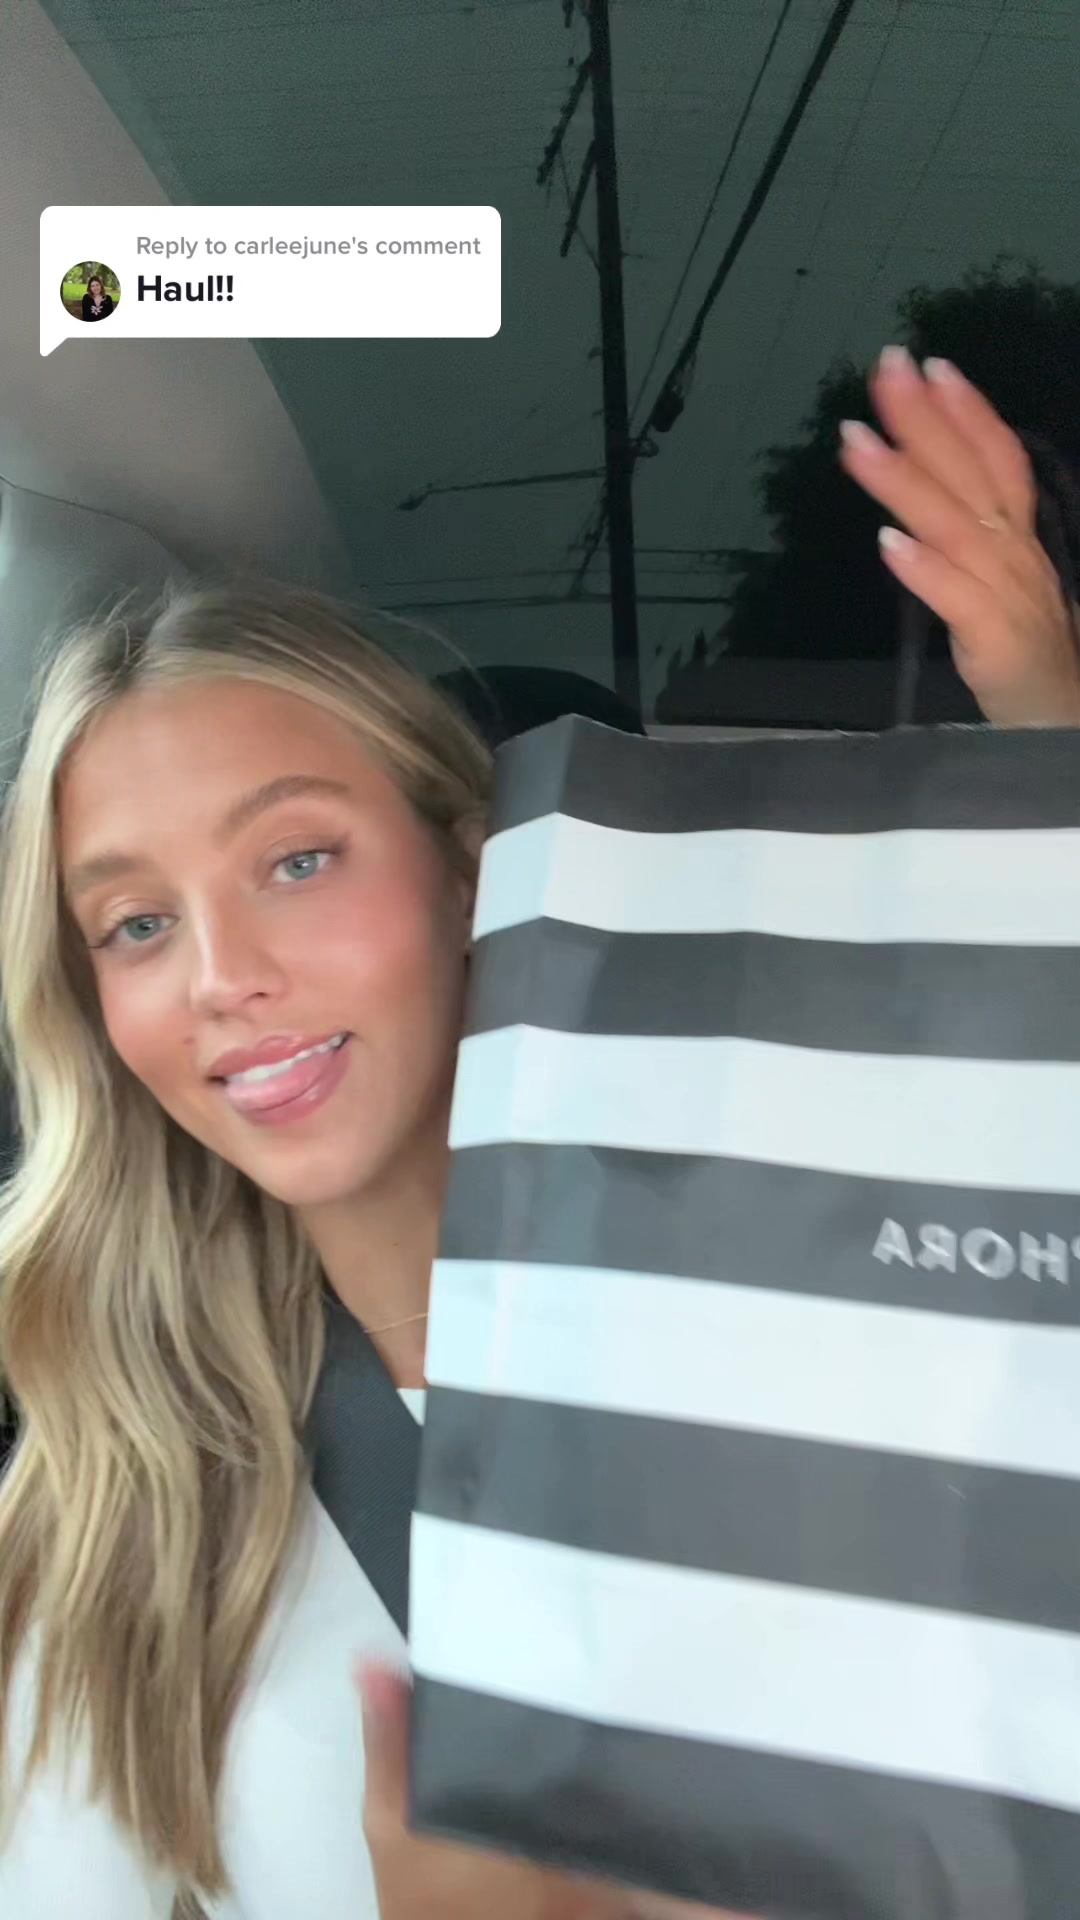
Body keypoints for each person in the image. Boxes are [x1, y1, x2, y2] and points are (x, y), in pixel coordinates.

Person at [0, 364, 1077, 1920]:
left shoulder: (841, 1311)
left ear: (468, 867)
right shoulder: (104, 1532)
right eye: (137, 923)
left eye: (297, 860)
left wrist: (1043, 750)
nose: (222, 974)